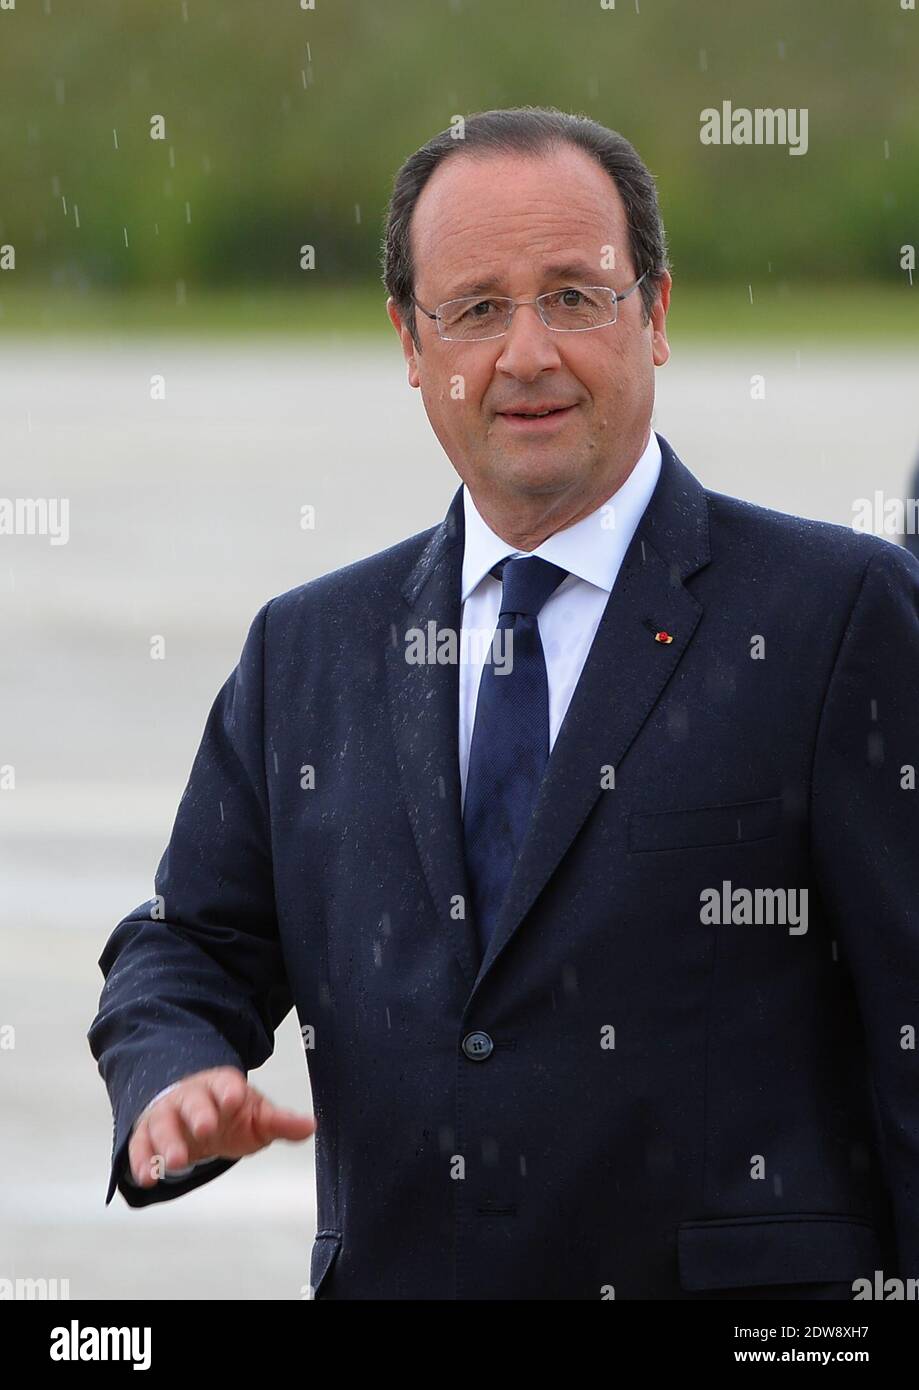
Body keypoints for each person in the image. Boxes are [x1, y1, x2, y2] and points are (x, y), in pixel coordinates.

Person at [88, 106, 919, 1301]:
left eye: (575, 297)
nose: (527, 353)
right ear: (410, 344)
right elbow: (186, 941)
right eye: (475, 308)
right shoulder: (310, 648)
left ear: (658, 315)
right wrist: (173, 1070)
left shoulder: (839, 616)